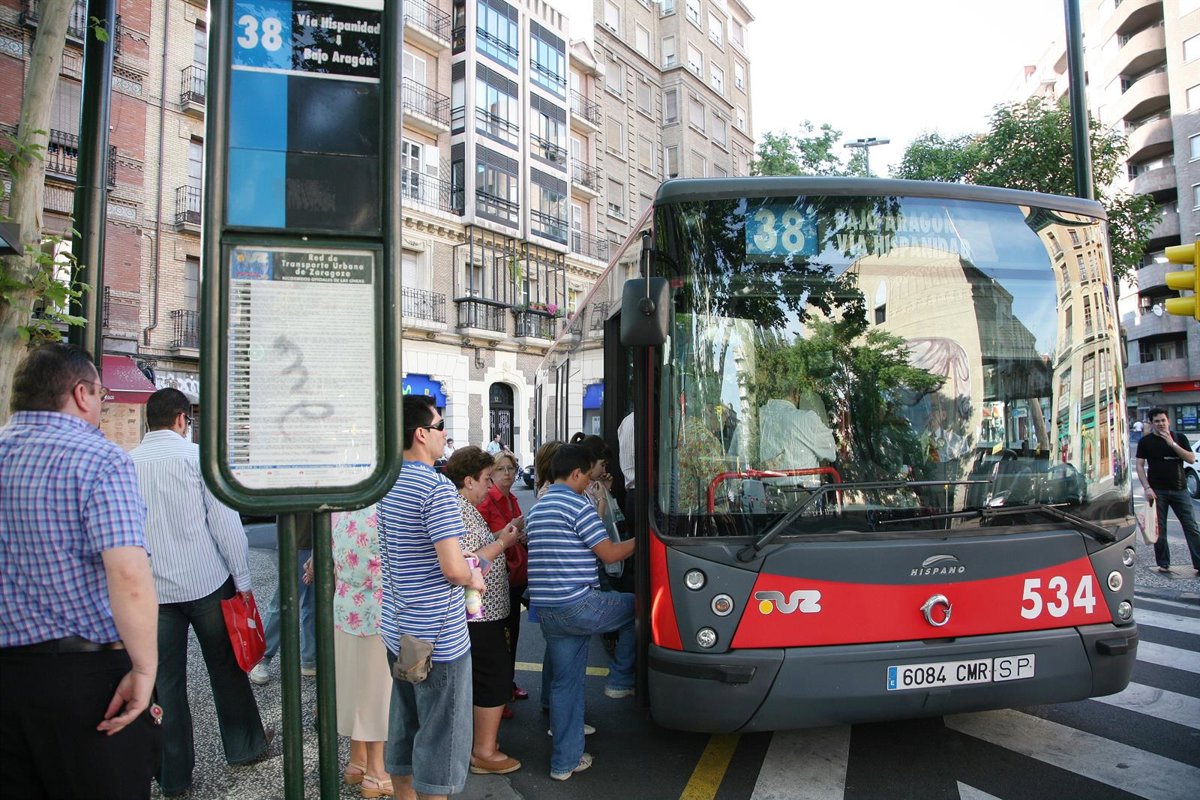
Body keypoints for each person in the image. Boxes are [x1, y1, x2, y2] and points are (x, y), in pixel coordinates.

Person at [0, 343, 160, 798]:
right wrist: (144, 668)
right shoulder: (100, 459)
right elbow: (128, 575)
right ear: (81, 393)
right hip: (85, 680)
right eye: (102, 395)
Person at [130, 388, 271, 796]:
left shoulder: (126, 464)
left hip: (153, 589)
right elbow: (226, 527)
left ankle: (173, 776)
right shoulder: (198, 459)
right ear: (181, 419)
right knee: (226, 670)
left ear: (149, 421)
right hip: (207, 582)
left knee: (165, 683)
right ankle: (245, 746)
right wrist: (243, 582)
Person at [379, 395, 485, 800]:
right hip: (438, 638)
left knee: (405, 726)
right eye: (440, 426)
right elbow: (453, 570)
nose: (445, 433)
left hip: (397, 628)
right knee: (442, 739)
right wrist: (473, 574)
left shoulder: (385, 480)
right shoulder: (436, 488)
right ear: (421, 434)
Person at [526, 444, 636, 782]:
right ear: (575, 474)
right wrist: (645, 539)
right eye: (588, 476)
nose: (591, 482)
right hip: (579, 605)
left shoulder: (538, 508)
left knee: (565, 685)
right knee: (637, 607)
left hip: (549, 611)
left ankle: (564, 762)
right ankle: (620, 680)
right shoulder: (579, 506)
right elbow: (610, 554)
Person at [445, 447, 524, 774]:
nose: (490, 485)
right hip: (477, 610)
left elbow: (473, 548)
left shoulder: (462, 506)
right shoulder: (459, 509)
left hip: (479, 608)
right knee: (492, 676)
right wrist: (503, 543)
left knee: (485, 675)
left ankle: (480, 746)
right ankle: (484, 752)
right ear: (469, 480)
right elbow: (469, 561)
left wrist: (499, 536)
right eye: (486, 478)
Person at [326, 505, 393, 798]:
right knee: (375, 695)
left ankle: (357, 762)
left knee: (354, 687)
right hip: (376, 612)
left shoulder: (342, 510)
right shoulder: (382, 512)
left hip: (344, 608)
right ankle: (377, 774)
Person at [475, 450, 529, 709]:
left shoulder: (512, 498)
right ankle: (500, 693)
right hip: (495, 577)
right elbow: (481, 542)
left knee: (512, 633)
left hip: (515, 573)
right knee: (498, 638)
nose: (507, 474)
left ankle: (508, 683)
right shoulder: (485, 501)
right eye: (500, 469)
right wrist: (509, 534)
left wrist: (519, 535)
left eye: (511, 469)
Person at [250, 512, 317, 684]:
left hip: (320, 535)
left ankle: (310, 658)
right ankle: (262, 658)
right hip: (297, 536)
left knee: (313, 603)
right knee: (285, 601)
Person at [1135, 408, 1200, 576]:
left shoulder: (1179, 438)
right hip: (1157, 491)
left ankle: (1199, 563)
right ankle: (1163, 563)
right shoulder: (1146, 442)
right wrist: (1147, 487)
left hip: (1180, 490)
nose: (1161, 424)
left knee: (1191, 527)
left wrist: (1172, 444)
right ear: (1151, 423)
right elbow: (1139, 465)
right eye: (1157, 421)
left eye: (1163, 420)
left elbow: (1191, 458)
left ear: (1168, 421)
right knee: (1160, 529)